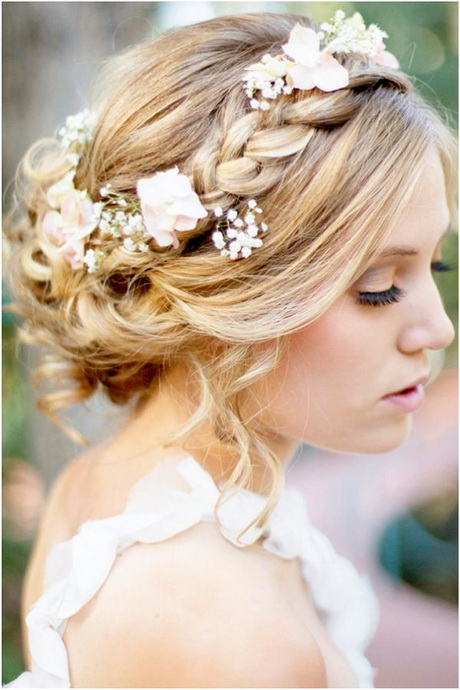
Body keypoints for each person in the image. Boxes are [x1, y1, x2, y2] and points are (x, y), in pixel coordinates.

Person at [4, 10, 455, 689]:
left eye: (435, 268)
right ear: (228, 297)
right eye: (379, 286)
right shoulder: (237, 638)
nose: (437, 329)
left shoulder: (100, 490)